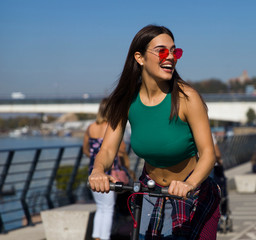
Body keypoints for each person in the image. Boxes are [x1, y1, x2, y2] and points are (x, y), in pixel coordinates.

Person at [88, 25, 220, 239]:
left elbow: (208, 153)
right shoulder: (125, 101)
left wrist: (189, 183)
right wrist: (97, 171)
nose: (170, 57)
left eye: (174, 52)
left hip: (193, 193)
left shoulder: (187, 98)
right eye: (161, 51)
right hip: (151, 192)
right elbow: (108, 149)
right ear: (139, 58)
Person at [83, 98, 130, 240]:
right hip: (110, 172)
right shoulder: (112, 127)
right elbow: (121, 149)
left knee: (100, 208)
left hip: (93, 171)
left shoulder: (90, 127)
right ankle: (105, 238)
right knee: (109, 209)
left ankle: (96, 237)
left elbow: (86, 150)